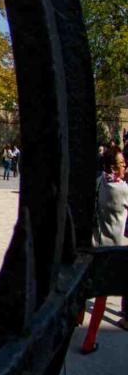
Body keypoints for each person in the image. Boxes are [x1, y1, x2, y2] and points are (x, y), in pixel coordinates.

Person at [81, 146, 128, 353]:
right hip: (112, 249)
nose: (125, 166)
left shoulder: (99, 181)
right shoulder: (121, 189)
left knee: (84, 286)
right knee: (102, 297)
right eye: (122, 164)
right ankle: (89, 340)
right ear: (113, 167)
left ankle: (77, 317)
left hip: (95, 242)